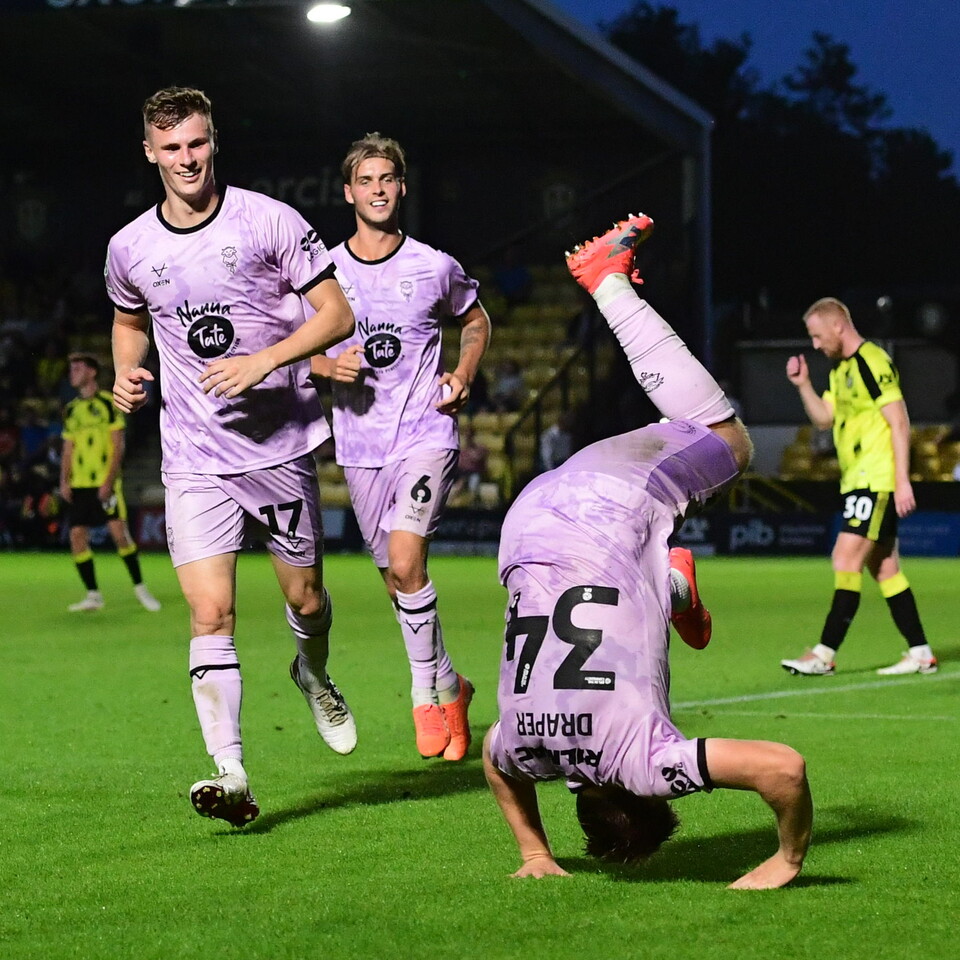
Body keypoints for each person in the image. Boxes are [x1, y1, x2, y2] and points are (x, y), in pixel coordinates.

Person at [483, 215, 812, 890]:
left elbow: (785, 768)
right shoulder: (525, 745)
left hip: (602, 511)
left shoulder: (641, 765)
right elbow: (494, 764)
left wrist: (786, 858)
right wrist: (535, 853)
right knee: (679, 432)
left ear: (646, 797)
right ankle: (671, 587)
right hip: (527, 523)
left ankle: (606, 282)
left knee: (725, 441)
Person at [107, 86, 357, 828]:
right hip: (193, 457)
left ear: (214, 141)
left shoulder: (268, 221)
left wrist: (265, 360)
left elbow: (338, 314)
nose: (187, 159)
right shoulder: (130, 246)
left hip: (277, 445)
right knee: (210, 611)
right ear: (149, 152)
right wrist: (126, 369)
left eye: (198, 143)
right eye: (172, 147)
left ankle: (312, 672)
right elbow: (128, 321)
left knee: (305, 599)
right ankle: (232, 771)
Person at [310, 133, 490, 760]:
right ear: (349, 192)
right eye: (367, 180)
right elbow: (291, 347)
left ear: (402, 187)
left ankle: (422, 695)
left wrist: (463, 373)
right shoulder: (324, 274)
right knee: (398, 582)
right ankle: (453, 684)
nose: (379, 189)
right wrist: (325, 367)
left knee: (409, 562)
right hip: (360, 448)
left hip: (424, 435)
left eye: (388, 178)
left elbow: (475, 319)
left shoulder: (433, 266)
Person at [779, 298, 937, 677]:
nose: (815, 345)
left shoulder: (872, 362)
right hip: (857, 480)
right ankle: (921, 653)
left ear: (838, 327)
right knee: (884, 567)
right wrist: (803, 386)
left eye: (818, 336)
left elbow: (899, 422)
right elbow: (823, 420)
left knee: (844, 557)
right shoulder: (840, 370)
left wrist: (901, 482)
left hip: (875, 479)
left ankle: (823, 654)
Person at [59, 353, 161, 613]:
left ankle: (140, 589)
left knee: (119, 534)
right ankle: (93, 595)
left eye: (78, 368)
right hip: (80, 483)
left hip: (103, 481)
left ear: (92, 372)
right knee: (77, 537)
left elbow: (118, 444)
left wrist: (109, 480)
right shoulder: (72, 409)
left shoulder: (107, 404)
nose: (73, 373)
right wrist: (64, 480)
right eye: (71, 369)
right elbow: (68, 449)